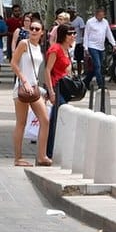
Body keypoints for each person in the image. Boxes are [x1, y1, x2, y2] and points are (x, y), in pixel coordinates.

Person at [9, 16, 51, 167]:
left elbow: (36, 71)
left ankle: (41, 155)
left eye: (37, 29)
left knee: (45, 120)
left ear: (42, 32)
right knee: (21, 122)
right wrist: (23, 80)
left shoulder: (38, 48)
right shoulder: (23, 44)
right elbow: (13, 63)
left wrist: (40, 88)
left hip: (34, 88)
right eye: (31, 28)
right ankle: (18, 158)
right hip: (22, 87)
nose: (33, 31)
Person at [44, 24, 74, 160]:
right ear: (63, 35)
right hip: (56, 87)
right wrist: (51, 91)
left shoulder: (67, 49)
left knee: (60, 118)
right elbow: (47, 71)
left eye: (74, 33)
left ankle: (56, 149)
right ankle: (49, 151)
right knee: (56, 119)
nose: (73, 35)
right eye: (70, 33)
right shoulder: (55, 49)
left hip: (65, 87)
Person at [82, 7, 111, 91]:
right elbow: (86, 35)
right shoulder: (90, 22)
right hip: (92, 46)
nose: (101, 18)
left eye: (102, 16)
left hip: (101, 47)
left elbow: (108, 33)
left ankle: (86, 81)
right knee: (98, 65)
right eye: (99, 16)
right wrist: (86, 47)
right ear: (96, 14)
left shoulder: (105, 22)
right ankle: (100, 84)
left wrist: (114, 44)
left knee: (98, 66)